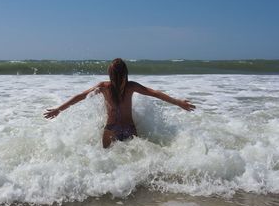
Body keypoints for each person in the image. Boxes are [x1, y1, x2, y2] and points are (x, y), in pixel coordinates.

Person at [44, 58, 195, 148]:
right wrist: (179, 103)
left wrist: (59, 109)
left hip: (112, 128)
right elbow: (156, 93)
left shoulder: (105, 87)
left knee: (109, 161)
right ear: (125, 75)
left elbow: (81, 96)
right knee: (131, 160)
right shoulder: (128, 86)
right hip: (127, 128)